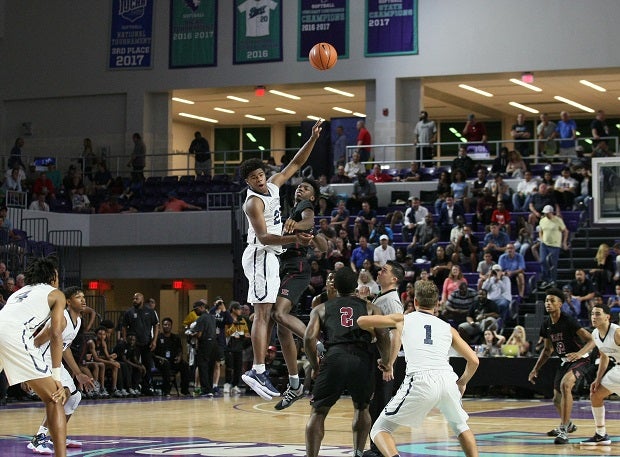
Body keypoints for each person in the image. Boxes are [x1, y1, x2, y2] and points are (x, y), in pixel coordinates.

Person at [240, 120, 321, 401]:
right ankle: (257, 370)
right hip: (261, 255)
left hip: (272, 259)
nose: (260, 180)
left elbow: (296, 164)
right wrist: (295, 240)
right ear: (248, 182)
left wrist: (312, 138)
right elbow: (263, 238)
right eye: (253, 178)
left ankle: (283, 375)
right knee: (263, 314)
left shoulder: (274, 186)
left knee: (273, 316)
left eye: (261, 174)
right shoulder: (253, 203)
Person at [358, 280, 480, 457]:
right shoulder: (449, 328)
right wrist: (462, 382)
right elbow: (474, 361)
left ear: (415, 302)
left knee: (379, 429)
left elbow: (362, 321)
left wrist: (366, 302)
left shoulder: (403, 319)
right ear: (437, 304)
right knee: (461, 426)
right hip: (447, 380)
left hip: (420, 380)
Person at [303, 267, 390, 457]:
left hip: (335, 357)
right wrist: (386, 361)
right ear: (356, 285)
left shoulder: (321, 308)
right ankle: (358, 453)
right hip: (362, 359)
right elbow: (383, 334)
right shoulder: (370, 307)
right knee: (362, 407)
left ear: (336, 287)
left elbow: (309, 338)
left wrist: (316, 366)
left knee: (318, 411)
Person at [0, 257, 69, 457]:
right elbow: (56, 334)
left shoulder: (19, 293)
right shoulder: (56, 294)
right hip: (13, 336)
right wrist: (55, 378)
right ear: (53, 277)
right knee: (55, 399)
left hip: (6, 332)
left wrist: (29, 373)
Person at [272, 178, 327, 409]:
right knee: (281, 327)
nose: (300, 189)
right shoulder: (291, 208)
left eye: (306, 188)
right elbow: (321, 244)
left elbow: (309, 221)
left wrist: (297, 226)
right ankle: (295, 384)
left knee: (278, 313)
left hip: (297, 267)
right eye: (299, 186)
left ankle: (318, 344)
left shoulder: (305, 208)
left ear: (312, 197)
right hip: (285, 266)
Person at [26, 286, 95, 454]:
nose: (83, 300)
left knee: (74, 397)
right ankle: (37, 440)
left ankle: (59, 436)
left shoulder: (77, 321)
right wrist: (29, 369)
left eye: (84, 297)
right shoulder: (61, 318)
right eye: (78, 297)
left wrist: (78, 373)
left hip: (54, 360)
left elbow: (64, 349)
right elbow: (36, 341)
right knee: (60, 395)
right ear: (68, 302)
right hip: (42, 360)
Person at [528, 287, 594, 445]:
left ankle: (564, 429)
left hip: (581, 359)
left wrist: (579, 353)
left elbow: (592, 340)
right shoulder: (546, 325)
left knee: (566, 385)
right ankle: (568, 424)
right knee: (556, 399)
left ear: (560, 304)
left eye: (552, 300)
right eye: (546, 301)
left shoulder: (568, 320)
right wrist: (535, 369)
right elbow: (548, 350)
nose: (548, 303)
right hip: (565, 361)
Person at [581, 303, 618, 445]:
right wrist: (598, 379)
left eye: (597, 314)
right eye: (592, 314)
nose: (594, 317)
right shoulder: (595, 334)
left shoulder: (617, 332)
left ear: (607, 317)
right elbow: (604, 356)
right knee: (596, 393)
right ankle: (601, 434)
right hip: (617, 369)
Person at [121, 292, 159, 395]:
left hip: (147, 342)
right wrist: (124, 339)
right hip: (134, 344)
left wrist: (154, 340)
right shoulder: (129, 312)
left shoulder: (150, 311)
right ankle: (134, 387)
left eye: (136, 298)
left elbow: (156, 326)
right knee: (136, 364)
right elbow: (124, 326)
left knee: (148, 365)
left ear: (142, 299)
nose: (134, 300)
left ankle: (146, 387)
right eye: (133, 298)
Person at [154, 317, 191, 396]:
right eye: (165, 324)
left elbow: (180, 350)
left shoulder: (176, 338)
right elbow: (153, 353)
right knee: (166, 364)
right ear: (162, 326)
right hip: (161, 362)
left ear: (171, 326)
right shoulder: (158, 338)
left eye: (168, 325)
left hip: (173, 361)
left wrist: (179, 357)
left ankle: (185, 390)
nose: (167, 326)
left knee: (185, 365)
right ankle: (166, 390)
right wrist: (159, 358)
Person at [538, 205, 569, 290]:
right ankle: (546, 279)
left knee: (552, 263)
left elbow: (565, 231)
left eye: (547, 213)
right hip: (544, 244)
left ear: (551, 212)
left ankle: (553, 280)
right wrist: (541, 239)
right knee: (543, 261)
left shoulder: (558, 220)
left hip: (555, 245)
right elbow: (541, 231)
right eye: (545, 213)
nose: (546, 215)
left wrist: (564, 243)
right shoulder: (542, 220)